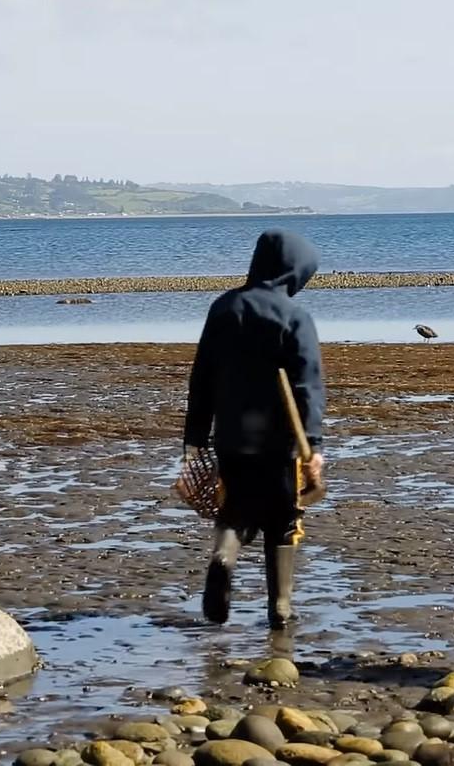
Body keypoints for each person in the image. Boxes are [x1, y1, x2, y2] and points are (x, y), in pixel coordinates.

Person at [181, 229, 325, 630]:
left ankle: (222, 559)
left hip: (231, 437)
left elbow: (202, 377)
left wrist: (194, 437)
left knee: (234, 513)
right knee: (283, 519)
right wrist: (313, 443)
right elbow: (308, 385)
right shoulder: (294, 316)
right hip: (282, 444)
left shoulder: (224, 307)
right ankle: (279, 607)